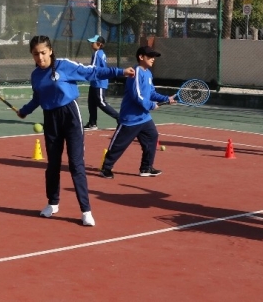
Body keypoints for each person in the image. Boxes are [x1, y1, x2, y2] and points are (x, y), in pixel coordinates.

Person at [16, 35, 135, 227]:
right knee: (52, 165)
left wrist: (120, 72)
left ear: (50, 51)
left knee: (76, 164)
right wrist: (25, 111)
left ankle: (85, 210)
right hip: (50, 119)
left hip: (70, 115)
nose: (40, 57)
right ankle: (53, 203)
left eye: (43, 53)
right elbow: (38, 97)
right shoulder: (35, 75)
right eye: (36, 54)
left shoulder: (64, 65)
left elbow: (92, 72)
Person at [99, 46, 172, 179]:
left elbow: (151, 93)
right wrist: (151, 105)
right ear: (141, 57)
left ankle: (146, 168)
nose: (152, 59)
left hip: (144, 118)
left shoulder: (148, 73)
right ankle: (106, 168)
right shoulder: (136, 72)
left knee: (152, 137)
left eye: (154, 57)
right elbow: (137, 96)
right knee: (119, 145)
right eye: (149, 56)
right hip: (130, 118)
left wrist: (167, 99)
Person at [83, 35, 119, 131]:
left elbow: (93, 68)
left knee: (101, 102)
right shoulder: (100, 53)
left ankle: (119, 118)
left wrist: (83, 72)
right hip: (95, 83)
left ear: (99, 44)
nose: (91, 44)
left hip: (99, 82)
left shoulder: (97, 53)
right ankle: (92, 123)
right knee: (91, 103)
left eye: (93, 42)